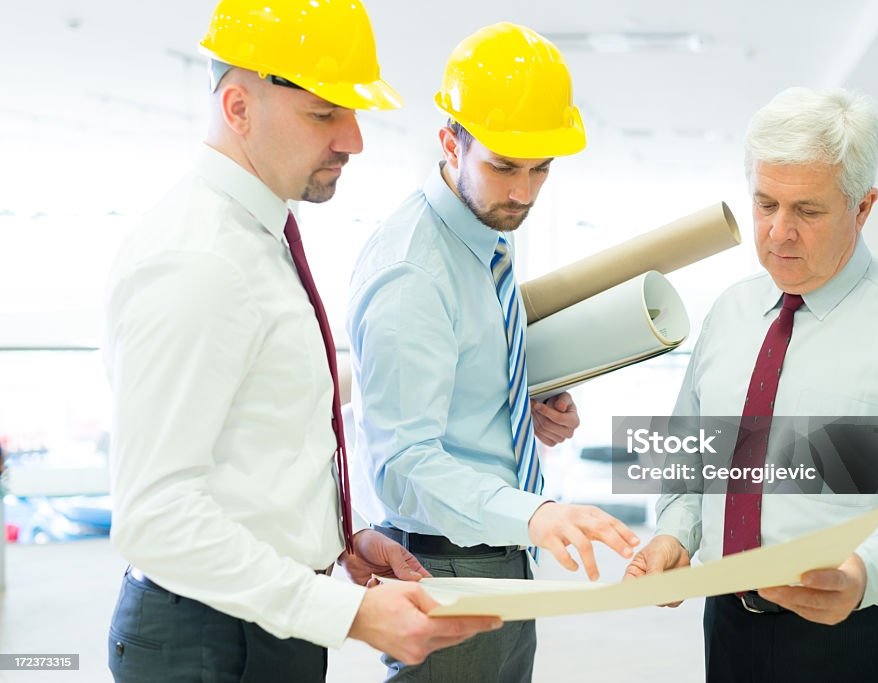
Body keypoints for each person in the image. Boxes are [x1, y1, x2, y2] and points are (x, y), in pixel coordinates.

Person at [103, 1, 500, 681]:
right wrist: (343, 613)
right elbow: (154, 514)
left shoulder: (258, 238)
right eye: (324, 114)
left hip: (255, 622)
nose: (354, 139)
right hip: (208, 640)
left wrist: (338, 540)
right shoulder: (198, 259)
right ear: (238, 107)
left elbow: (261, 443)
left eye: (353, 113)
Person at [625, 87, 878, 682]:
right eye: (765, 204)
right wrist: (676, 534)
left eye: (807, 210)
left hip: (864, 631)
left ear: (863, 207)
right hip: (729, 626)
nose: (779, 233)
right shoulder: (731, 311)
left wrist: (863, 571)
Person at [347, 22, 640, 681]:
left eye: (541, 169)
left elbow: (452, 394)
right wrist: (536, 511)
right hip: (447, 565)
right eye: (505, 165)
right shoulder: (413, 272)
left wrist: (517, 408)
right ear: (450, 142)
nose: (525, 192)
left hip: (499, 557)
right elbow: (403, 462)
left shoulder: (483, 237)